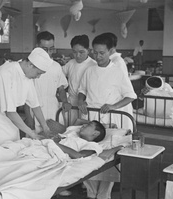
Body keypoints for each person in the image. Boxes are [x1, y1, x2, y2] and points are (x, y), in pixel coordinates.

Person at [77, 33, 137, 199]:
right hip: (94, 118)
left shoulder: (118, 70)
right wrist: (81, 100)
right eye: (94, 53)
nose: (97, 56)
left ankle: (104, 194)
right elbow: (82, 90)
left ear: (111, 51)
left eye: (101, 53)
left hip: (112, 119)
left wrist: (113, 106)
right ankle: (91, 192)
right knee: (90, 155)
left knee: (108, 157)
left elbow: (131, 95)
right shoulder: (89, 70)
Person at [0, 47, 53, 156]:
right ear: (30, 65)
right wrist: (32, 133)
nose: (38, 77)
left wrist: (45, 127)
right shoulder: (5, 72)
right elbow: (9, 112)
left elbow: (35, 105)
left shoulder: (27, 77)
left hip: (12, 124)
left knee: (12, 157)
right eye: (38, 73)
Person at [24, 31, 70, 132]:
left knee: (56, 138)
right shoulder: (30, 66)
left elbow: (61, 88)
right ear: (37, 47)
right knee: (36, 140)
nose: (48, 52)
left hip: (53, 108)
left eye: (51, 49)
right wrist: (28, 116)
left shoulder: (56, 66)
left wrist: (65, 101)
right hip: (35, 107)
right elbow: (26, 95)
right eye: (44, 49)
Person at [62, 35, 97, 124]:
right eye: (74, 52)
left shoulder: (93, 65)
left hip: (86, 104)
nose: (77, 55)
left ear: (88, 51)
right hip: (71, 103)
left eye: (81, 52)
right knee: (69, 129)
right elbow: (59, 76)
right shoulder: (71, 63)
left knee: (84, 129)